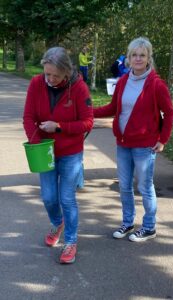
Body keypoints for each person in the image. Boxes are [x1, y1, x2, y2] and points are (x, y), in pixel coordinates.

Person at [94, 37, 173, 242]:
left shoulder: (156, 85)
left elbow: (170, 112)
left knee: (145, 187)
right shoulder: (122, 81)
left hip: (144, 145)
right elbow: (112, 108)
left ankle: (149, 227)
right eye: (134, 55)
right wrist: (88, 112)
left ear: (148, 58)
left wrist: (163, 139)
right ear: (128, 59)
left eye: (142, 55)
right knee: (124, 186)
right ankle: (128, 223)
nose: (138, 59)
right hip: (123, 143)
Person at [23, 47, 93, 263]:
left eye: (55, 75)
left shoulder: (80, 88)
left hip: (70, 152)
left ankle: (70, 242)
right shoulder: (36, 83)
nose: (50, 79)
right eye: (47, 74)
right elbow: (28, 117)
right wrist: (36, 145)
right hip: (44, 150)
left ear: (66, 72)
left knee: (67, 198)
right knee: (48, 197)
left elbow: (88, 122)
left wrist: (60, 127)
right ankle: (57, 222)